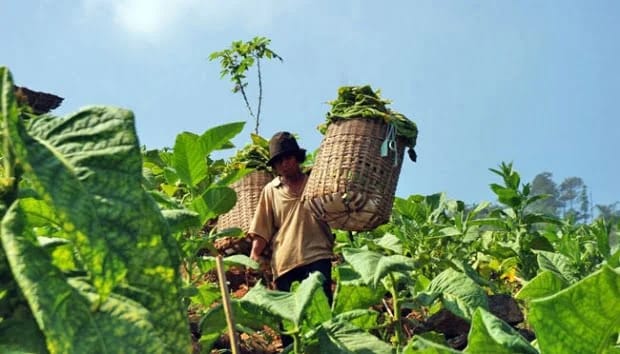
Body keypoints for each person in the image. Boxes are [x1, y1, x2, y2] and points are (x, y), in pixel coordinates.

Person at [248, 131, 334, 305]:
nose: (284, 164)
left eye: (288, 158)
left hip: (318, 256)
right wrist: (254, 255)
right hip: (285, 263)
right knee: (289, 323)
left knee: (322, 313)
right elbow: (262, 228)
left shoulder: (315, 182)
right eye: (279, 162)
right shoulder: (271, 190)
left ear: (297, 158)